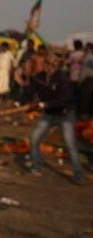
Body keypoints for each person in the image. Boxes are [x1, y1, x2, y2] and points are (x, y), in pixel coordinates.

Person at [27, 52, 85, 185]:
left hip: (65, 115)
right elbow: (30, 92)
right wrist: (26, 101)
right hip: (48, 114)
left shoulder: (63, 80)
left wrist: (45, 104)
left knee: (70, 145)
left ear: (57, 65)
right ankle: (36, 167)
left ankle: (78, 175)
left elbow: (65, 99)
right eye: (47, 63)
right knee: (34, 138)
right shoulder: (39, 77)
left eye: (52, 64)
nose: (48, 66)